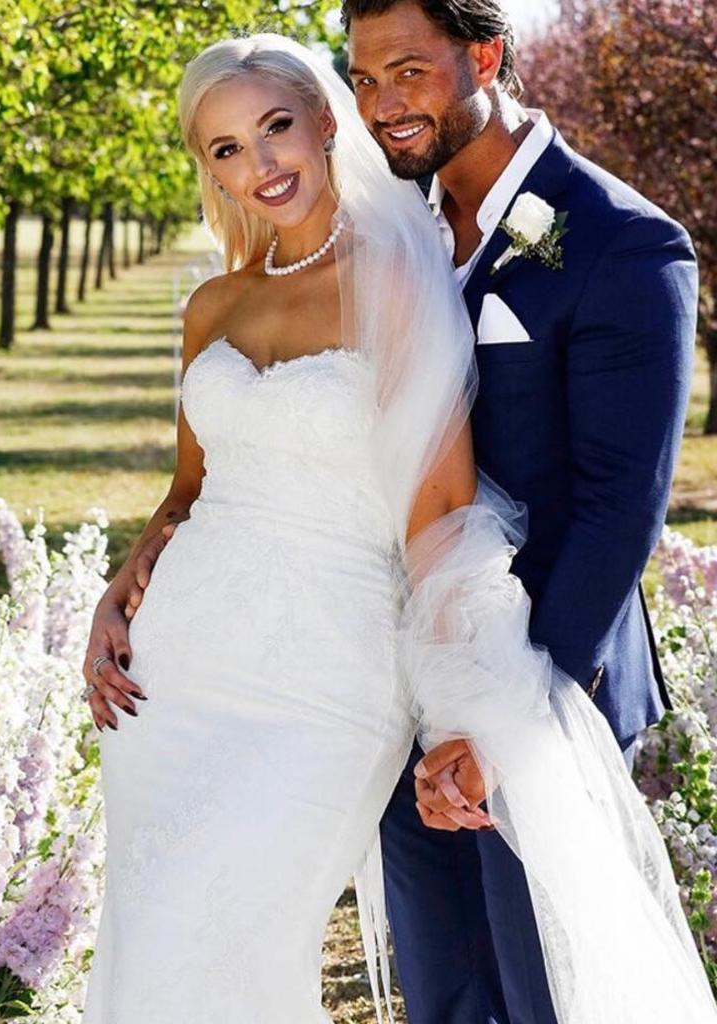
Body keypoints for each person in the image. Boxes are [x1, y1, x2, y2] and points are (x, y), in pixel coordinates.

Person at [80, 31, 716, 1024]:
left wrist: (473, 703)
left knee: (239, 929)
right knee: (161, 943)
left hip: (329, 678)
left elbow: (443, 523)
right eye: (227, 148)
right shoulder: (211, 306)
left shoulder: (397, 278)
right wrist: (120, 590)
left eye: (277, 127)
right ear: (205, 169)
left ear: (324, 122)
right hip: (175, 680)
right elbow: (188, 490)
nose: (262, 163)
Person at [341, 0, 700, 1020]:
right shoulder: (390, 232)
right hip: (405, 680)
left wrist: (504, 722)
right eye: (365, 80)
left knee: (552, 994)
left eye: (409, 72)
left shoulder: (621, 243)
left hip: (542, 686)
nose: (384, 106)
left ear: (485, 56)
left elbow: (616, 507)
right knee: (447, 994)